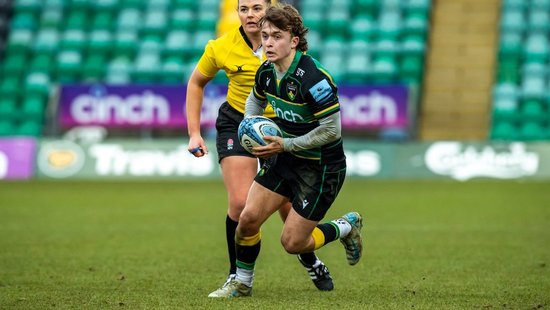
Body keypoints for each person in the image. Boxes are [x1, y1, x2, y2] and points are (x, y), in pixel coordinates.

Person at [211, 3, 364, 298]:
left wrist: (288, 144)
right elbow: (254, 101)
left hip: (321, 168)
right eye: (265, 36)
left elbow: (333, 130)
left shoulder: (314, 79)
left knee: (293, 242)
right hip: (284, 158)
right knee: (248, 219)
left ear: (294, 41)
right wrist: (249, 128)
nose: (268, 42)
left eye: (276, 36)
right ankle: (242, 282)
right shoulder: (266, 72)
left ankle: (344, 227)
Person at [185, 0, 334, 296]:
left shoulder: (284, 44)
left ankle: (308, 256)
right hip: (239, 123)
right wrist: (193, 133)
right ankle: (237, 278)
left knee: (288, 210)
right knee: (241, 205)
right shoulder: (221, 47)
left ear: (270, 8)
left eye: (256, 8)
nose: (250, 14)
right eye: (244, 9)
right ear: (236, 12)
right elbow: (196, 83)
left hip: (282, 127)